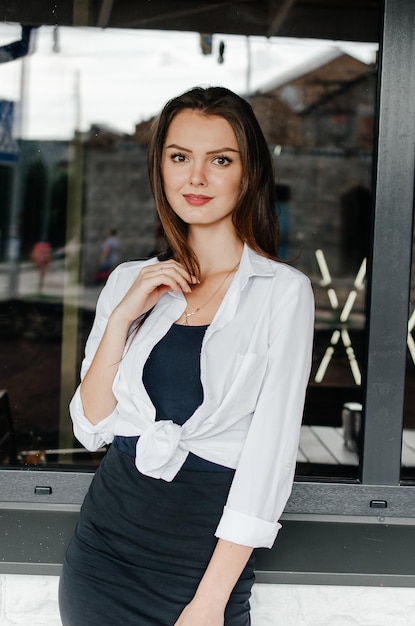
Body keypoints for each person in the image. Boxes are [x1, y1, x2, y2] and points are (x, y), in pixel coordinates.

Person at [59, 86, 314, 626]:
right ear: (162, 169)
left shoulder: (281, 292)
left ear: (248, 174)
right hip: (101, 559)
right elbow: (92, 424)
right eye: (180, 157)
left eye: (219, 160)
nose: (195, 178)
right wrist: (125, 316)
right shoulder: (131, 281)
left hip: (201, 573)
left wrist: (210, 602)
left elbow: (269, 458)